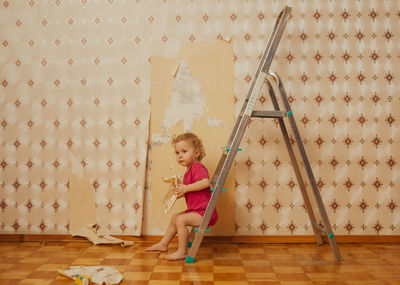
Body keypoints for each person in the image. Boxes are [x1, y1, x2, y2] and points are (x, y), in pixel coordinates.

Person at [146, 132, 218, 260]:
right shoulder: (188, 172)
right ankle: (163, 244)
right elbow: (194, 192)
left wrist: (185, 188)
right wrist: (181, 193)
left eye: (184, 151)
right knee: (175, 218)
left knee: (181, 220)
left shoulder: (198, 167)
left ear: (196, 153)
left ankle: (182, 251)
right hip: (196, 211)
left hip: (205, 213)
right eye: (177, 153)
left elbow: (205, 183)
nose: (180, 156)